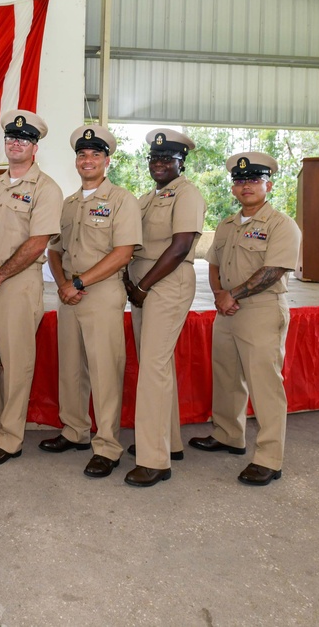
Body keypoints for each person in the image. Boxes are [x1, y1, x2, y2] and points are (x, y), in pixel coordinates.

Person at [189, 152, 301, 486]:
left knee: (264, 385)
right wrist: (220, 296)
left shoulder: (282, 224)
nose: (246, 186)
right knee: (226, 377)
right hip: (227, 311)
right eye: (240, 181)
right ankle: (228, 435)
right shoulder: (226, 225)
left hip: (262, 310)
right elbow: (213, 264)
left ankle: (269, 458)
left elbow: (274, 269)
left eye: (253, 180)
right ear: (233, 189)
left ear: (268, 184)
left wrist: (231, 295)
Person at [0, 109, 63, 467]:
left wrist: (0, 273)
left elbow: (38, 242)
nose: (16, 142)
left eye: (25, 139)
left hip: (18, 284)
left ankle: (10, 437)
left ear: (35, 148)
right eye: (11, 137)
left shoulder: (46, 189)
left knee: (17, 360)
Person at [44, 125, 142, 478]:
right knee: (70, 368)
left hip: (101, 294)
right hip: (69, 294)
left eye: (95, 155)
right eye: (82, 155)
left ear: (107, 160)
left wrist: (80, 282)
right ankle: (74, 431)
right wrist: (63, 284)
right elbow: (54, 250)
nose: (88, 160)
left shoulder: (121, 200)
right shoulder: (68, 204)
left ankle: (107, 445)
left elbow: (124, 252)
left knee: (104, 372)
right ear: (76, 161)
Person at [122, 128, 206, 487]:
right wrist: (131, 282)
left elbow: (180, 247)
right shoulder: (147, 197)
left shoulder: (188, 195)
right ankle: (168, 442)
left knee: (153, 368)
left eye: (166, 158)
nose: (159, 163)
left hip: (166, 284)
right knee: (158, 363)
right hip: (143, 286)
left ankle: (154, 460)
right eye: (154, 158)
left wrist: (141, 285)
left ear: (180, 161)